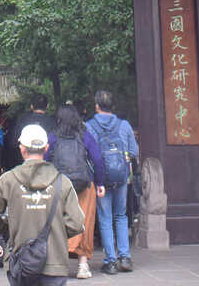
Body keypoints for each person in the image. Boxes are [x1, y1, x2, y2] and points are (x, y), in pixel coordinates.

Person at [0, 123, 85, 286]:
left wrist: (10, 228)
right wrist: (56, 232)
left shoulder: (8, 180)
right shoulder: (63, 182)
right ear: (46, 148)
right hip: (55, 264)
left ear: (22, 148)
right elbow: (77, 223)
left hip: (20, 263)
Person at [46, 104, 106, 279]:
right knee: (85, 222)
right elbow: (97, 159)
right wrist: (100, 182)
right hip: (84, 185)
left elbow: (43, 158)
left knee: (58, 222)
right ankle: (83, 265)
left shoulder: (53, 137)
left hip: (60, 185)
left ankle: (59, 264)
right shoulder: (85, 136)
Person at [84, 90, 138, 275]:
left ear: (97, 106)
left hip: (101, 179)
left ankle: (111, 261)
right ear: (112, 106)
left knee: (105, 218)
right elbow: (134, 152)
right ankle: (125, 257)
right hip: (121, 177)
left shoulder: (88, 126)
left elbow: (86, 154)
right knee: (121, 216)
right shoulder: (124, 125)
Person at [5, 95, 58, 169]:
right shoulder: (53, 122)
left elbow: (12, 143)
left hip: (24, 164)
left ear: (31, 106)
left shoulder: (22, 120)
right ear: (47, 106)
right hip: (46, 165)